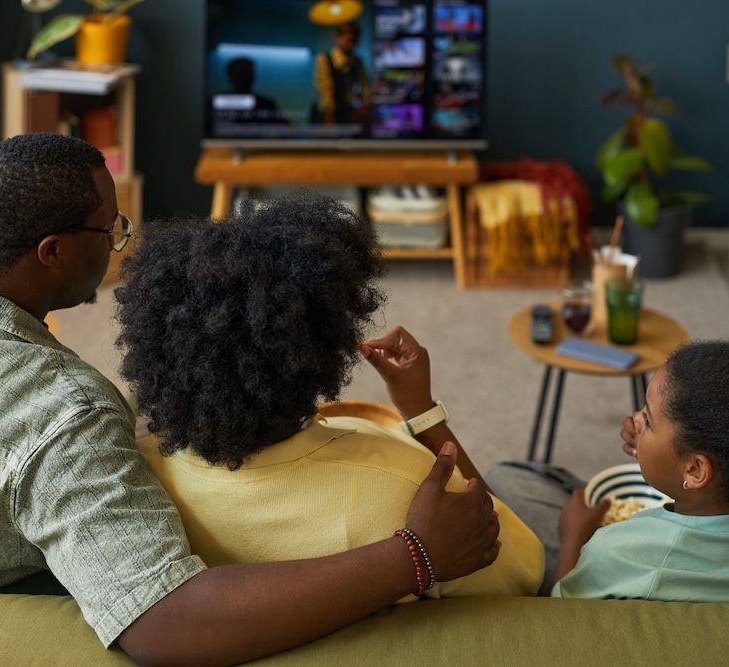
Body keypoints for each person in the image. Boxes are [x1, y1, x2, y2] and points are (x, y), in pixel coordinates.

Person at [0, 133, 500, 666]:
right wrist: (413, 554)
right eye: (109, 230)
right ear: (50, 252)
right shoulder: (69, 416)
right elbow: (162, 623)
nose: (120, 244)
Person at [115, 190, 544, 600]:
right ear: (325, 349)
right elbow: (523, 567)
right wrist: (423, 413)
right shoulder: (414, 490)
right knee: (519, 474)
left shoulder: (138, 475)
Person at [553, 308, 729, 601]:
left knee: (516, 476)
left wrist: (572, 537)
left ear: (694, 471)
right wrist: (655, 445)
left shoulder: (624, 551)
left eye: (648, 421)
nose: (635, 421)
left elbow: (563, 608)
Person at [312, 22, 371, 127]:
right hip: (326, 115)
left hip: (347, 113)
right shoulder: (324, 59)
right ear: (338, 38)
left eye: (355, 41)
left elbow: (365, 89)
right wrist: (330, 123)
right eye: (349, 40)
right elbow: (326, 93)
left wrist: (364, 108)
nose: (352, 45)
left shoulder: (357, 61)